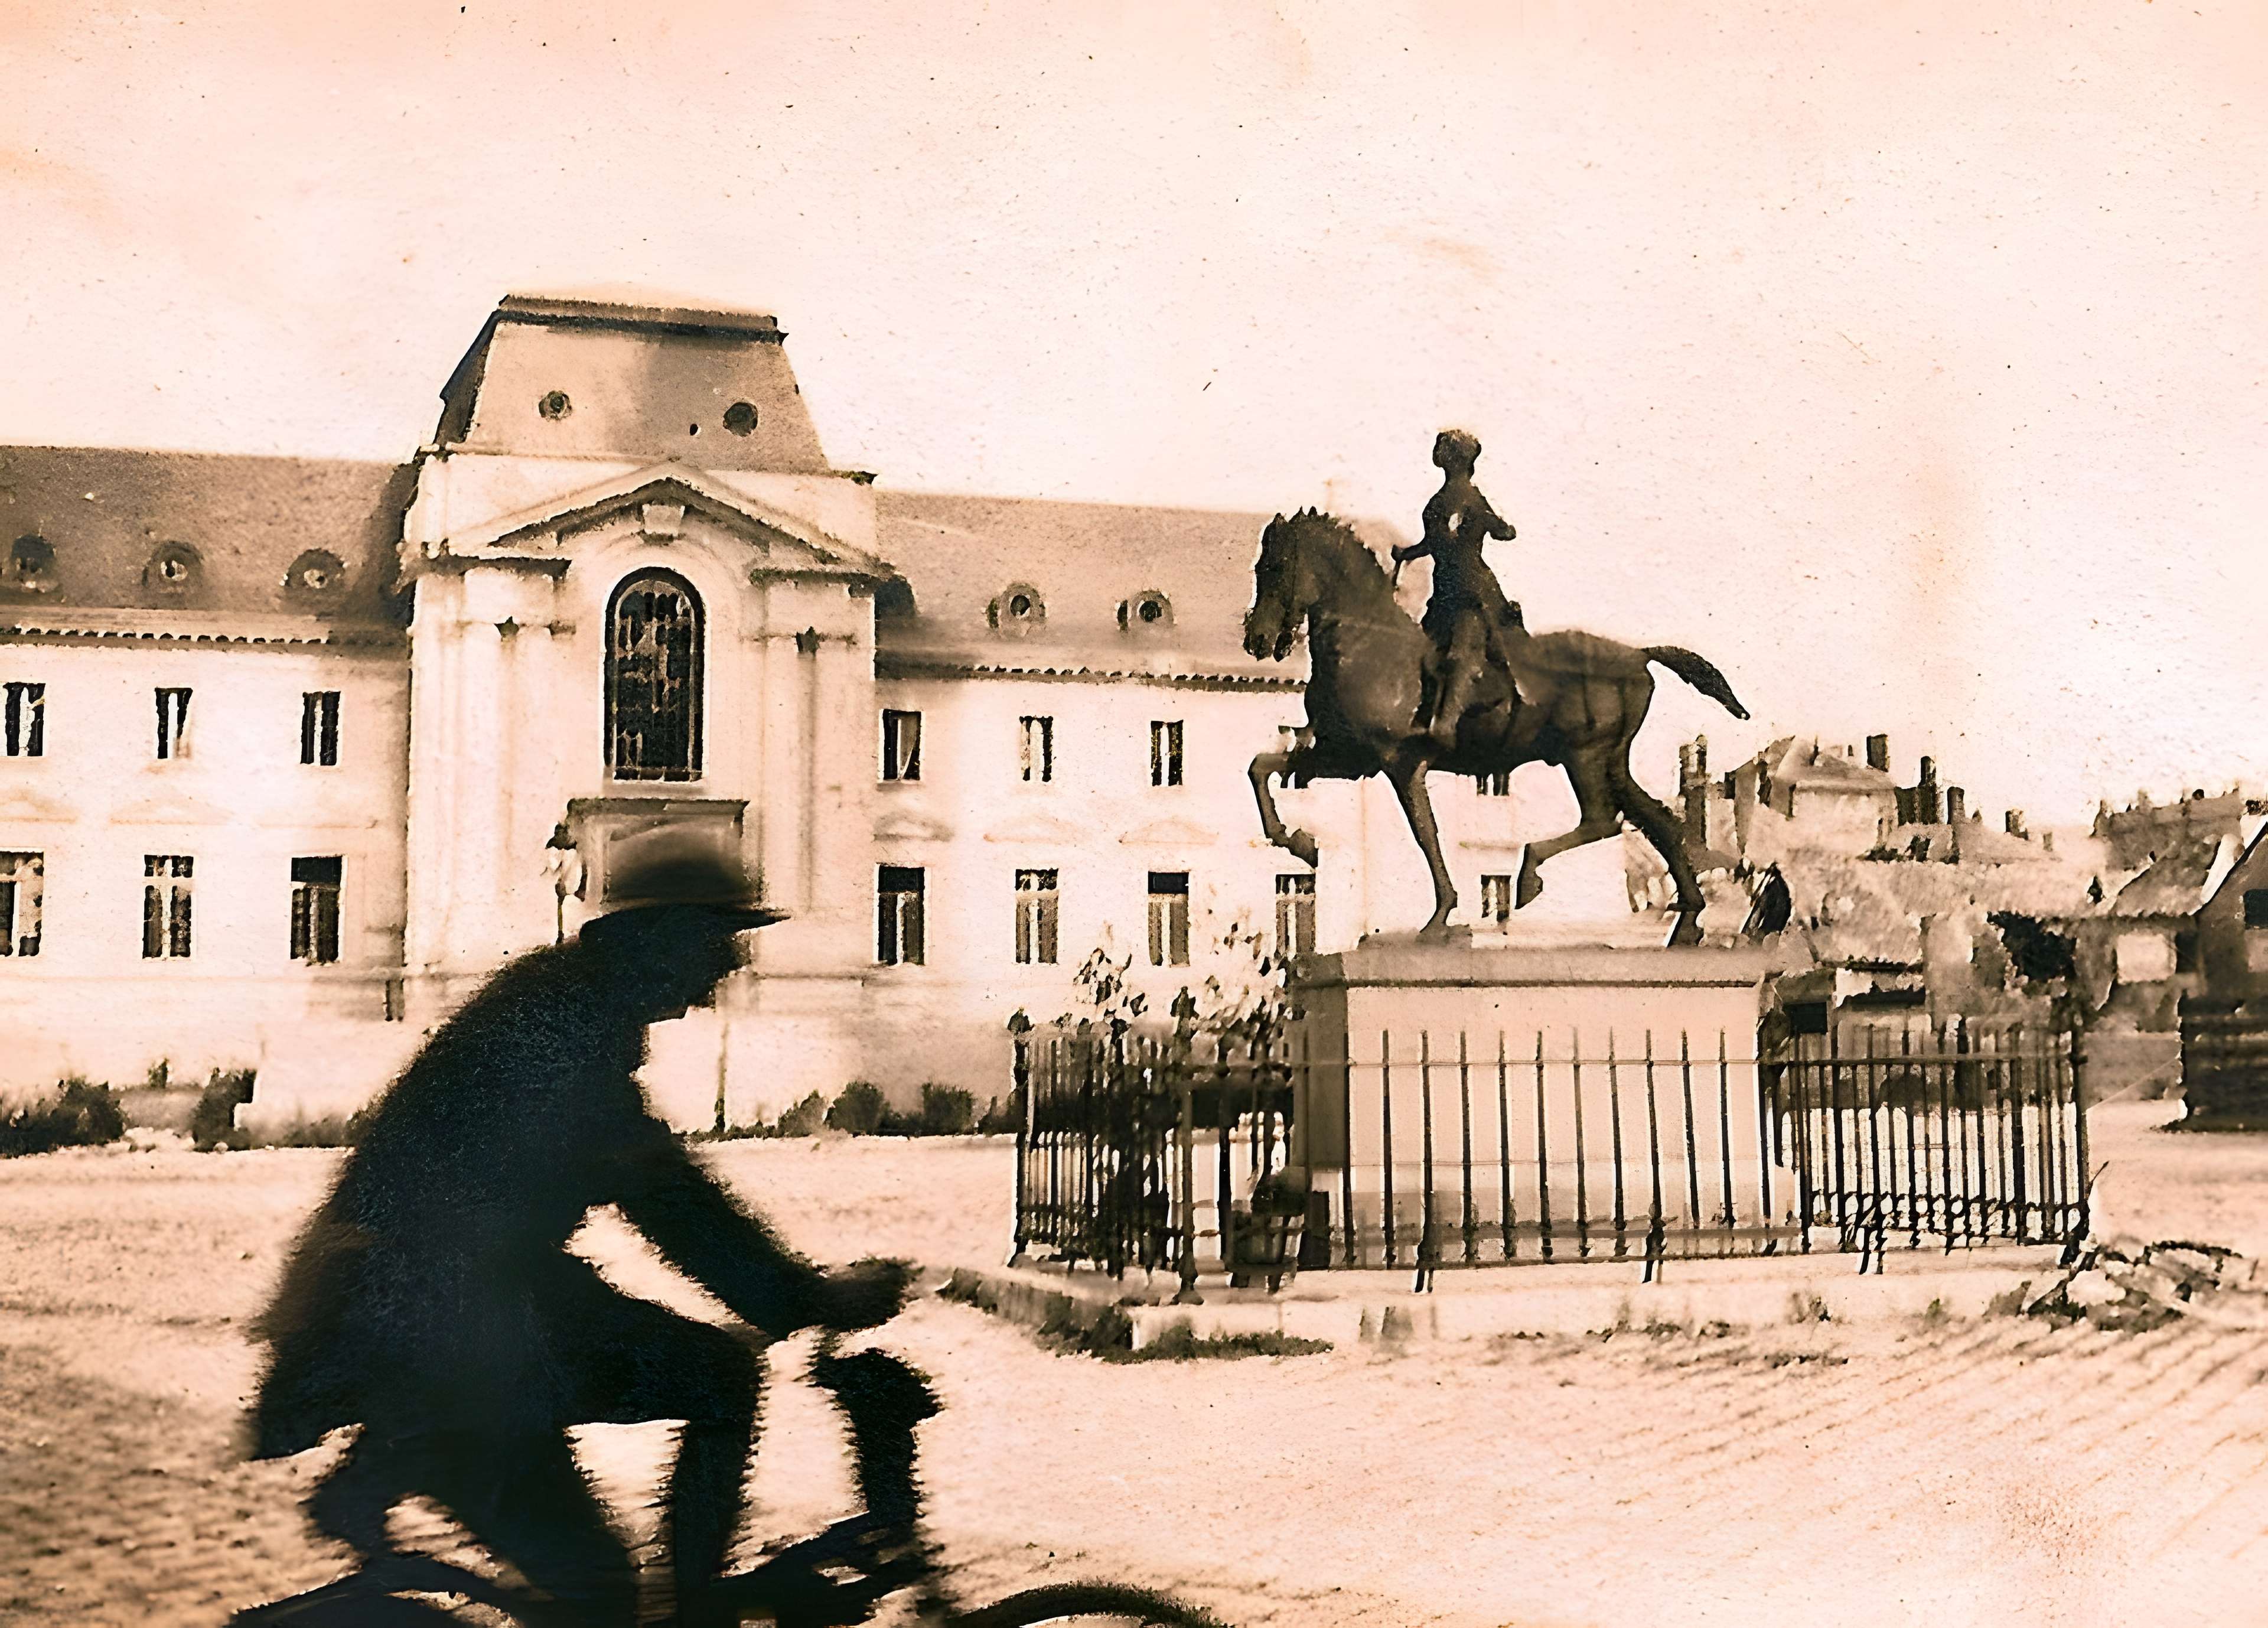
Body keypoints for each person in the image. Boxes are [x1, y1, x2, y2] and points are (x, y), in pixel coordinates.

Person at [244, 831, 909, 1627]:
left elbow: (647, 1189)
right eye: (717, 940)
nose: (728, 967)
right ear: (657, 939)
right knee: (620, 1563)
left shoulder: (566, 1007)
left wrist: (792, 1297)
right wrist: (808, 1297)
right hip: (442, 1335)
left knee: (712, 1377)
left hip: (456, 1315)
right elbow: (667, 1199)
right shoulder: (560, 1032)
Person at [1392, 429, 1522, 748]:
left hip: (1460, 592)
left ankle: (1443, 723)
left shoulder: (1442, 502)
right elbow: (1503, 533)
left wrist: (1406, 555)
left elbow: (1432, 544)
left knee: (1451, 653)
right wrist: (1504, 527)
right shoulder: (1470, 498)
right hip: (1463, 590)